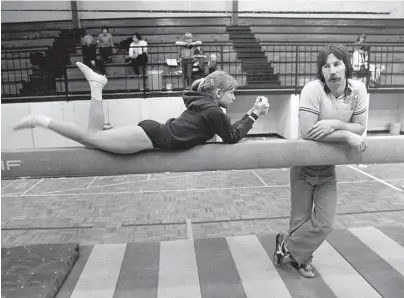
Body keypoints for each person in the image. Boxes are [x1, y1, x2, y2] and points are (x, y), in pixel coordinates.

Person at [13, 62, 269, 154]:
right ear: (218, 92)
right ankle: (40, 119)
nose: (235, 97)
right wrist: (254, 113)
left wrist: (243, 114)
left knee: (92, 140)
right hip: (152, 137)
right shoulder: (212, 110)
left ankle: (96, 85)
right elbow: (232, 137)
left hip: (152, 134)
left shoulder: (204, 104)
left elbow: (221, 128)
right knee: (90, 138)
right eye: (232, 92)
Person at [272, 44, 368, 278]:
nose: (332, 70)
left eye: (337, 64)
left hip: (326, 168)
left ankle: (286, 244)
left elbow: (360, 126)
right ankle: (302, 260)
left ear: (346, 66)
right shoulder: (313, 89)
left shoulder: (358, 90)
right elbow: (307, 132)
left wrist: (335, 124)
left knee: (325, 223)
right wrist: (346, 135)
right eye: (326, 66)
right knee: (300, 219)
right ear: (321, 71)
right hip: (304, 165)